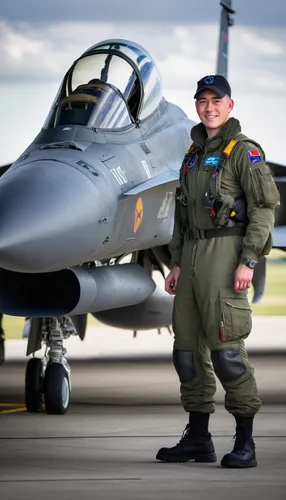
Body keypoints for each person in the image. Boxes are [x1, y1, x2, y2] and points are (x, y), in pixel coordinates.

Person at [156, 75, 280, 468]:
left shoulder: (244, 152)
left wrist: (249, 260)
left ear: (230, 105)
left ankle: (246, 442)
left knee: (228, 353)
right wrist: (176, 261)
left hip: (226, 256)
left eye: (216, 100)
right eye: (202, 101)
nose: (209, 107)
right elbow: (181, 215)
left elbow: (264, 209)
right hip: (190, 260)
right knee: (187, 353)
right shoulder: (192, 155)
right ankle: (198, 438)